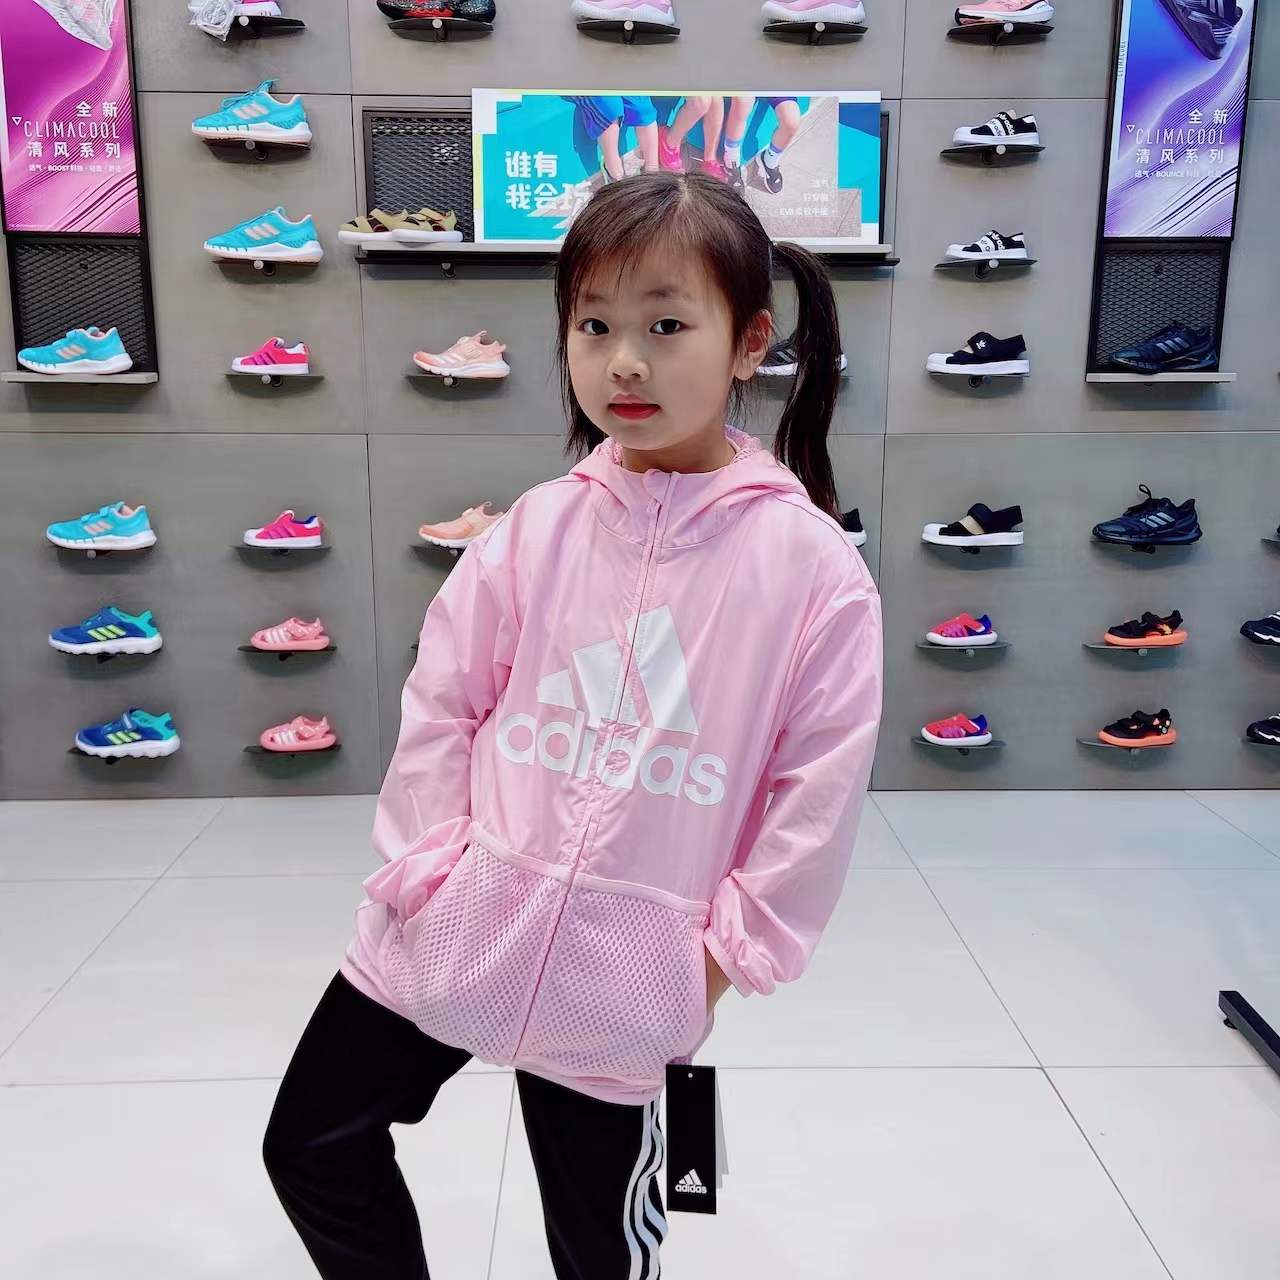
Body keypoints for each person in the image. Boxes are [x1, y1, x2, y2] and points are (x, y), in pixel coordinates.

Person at [262, 171, 884, 1280]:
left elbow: (816, 796)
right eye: (593, 326)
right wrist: (425, 870)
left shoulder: (811, 571)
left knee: (601, 1253)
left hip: (627, 979)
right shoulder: (536, 529)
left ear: (749, 342)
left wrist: (710, 965)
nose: (623, 361)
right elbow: (443, 700)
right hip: (454, 925)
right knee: (310, 1141)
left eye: (665, 325)